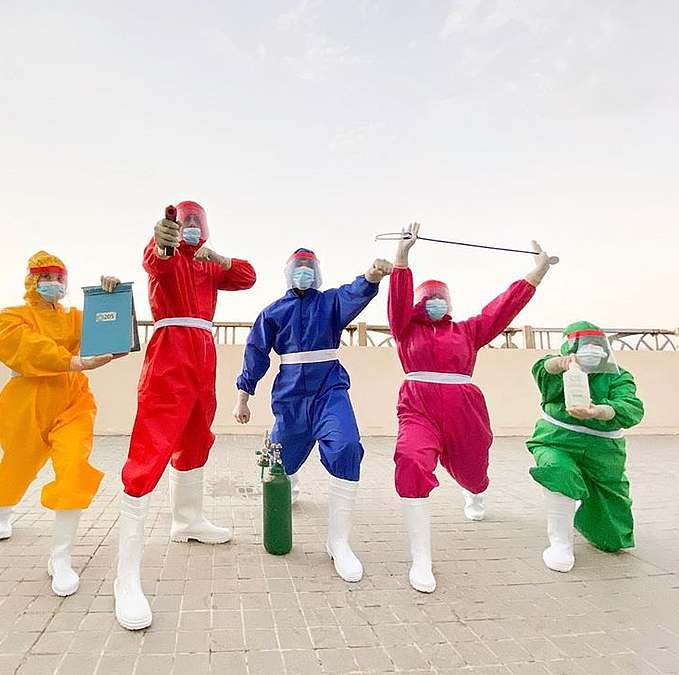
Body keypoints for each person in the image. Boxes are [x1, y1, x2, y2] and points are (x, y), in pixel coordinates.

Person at [387, 223, 554, 593]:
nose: (436, 302)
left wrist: (536, 273)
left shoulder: (468, 331)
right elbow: (397, 302)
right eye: (429, 297)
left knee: (473, 471)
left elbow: (502, 308)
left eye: (441, 298)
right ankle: (421, 560)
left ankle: (475, 490)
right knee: (411, 460)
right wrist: (402, 257)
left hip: (465, 409)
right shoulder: (406, 330)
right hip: (418, 406)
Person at [115, 201, 256, 630]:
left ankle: (187, 520)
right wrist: (162, 241)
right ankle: (127, 577)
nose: (191, 228)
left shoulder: (211, 266)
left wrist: (217, 256)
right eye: (185, 223)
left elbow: (247, 277)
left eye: (197, 223)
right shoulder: (168, 253)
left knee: (197, 437)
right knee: (152, 446)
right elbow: (154, 259)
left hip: (204, 353)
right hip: (170, 351)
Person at [233, 248, 392, 582]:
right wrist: (242, 398)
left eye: (309, 268)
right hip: (291, 398)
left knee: (346, 446)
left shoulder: (329, 304)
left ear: (316, 272)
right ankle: (289, 483)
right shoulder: (273, 313)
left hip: (329, 391)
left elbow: (355, 292)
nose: (303, 272)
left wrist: (373, 274)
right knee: (276, 466)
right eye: (298, 268)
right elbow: (255, 354)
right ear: (289, 272)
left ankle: (339, 543)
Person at [0, 251, 122, 597]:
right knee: (16, 467)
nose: (54, 284)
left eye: (59, 278)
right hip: (27, 400)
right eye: (46, 277)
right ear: (32, 280)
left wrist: (113, 297)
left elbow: (110, 333)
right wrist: (73, 360)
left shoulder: (76, 318)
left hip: (73, 400)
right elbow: (26, 347)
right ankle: (2, 508)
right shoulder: (11, 317)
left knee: (74, 467)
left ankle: (60, 559)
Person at [526, 322, 644, 572]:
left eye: (596, 346)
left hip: (605, 451)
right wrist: (562, 363)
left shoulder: (618, 376)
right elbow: (542, 368)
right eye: (583, 346)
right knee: (559, 472)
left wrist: (597, 411)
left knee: (612, 538)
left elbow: (631, 407)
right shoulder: (560, 369)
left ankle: (581, 508)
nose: (590, 351)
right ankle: (560, 543)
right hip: (557, 439)